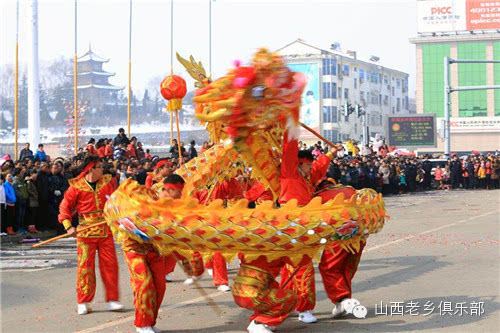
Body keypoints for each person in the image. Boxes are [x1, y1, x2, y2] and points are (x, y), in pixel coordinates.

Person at [58, 156, 123, 315]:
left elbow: (117, 202)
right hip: (85, 233)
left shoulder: (107, 184)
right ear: (91, 169)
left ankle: (112, 299)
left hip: (105, 231)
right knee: (84, 268)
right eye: (99, 167)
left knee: (110, 265)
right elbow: (64, 208)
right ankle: (84, 301)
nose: (103, 169)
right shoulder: (76, 187)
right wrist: (68, 227)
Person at [120, 175, 185, 333]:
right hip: (134, 247)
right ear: (169, 189)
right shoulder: (144, 196)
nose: (181, 195)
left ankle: (149, 321)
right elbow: (124, 217)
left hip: (155, 249)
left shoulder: (172, 206)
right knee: (144, 284)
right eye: (179, 191)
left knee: (160, 287)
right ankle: (142, 325)